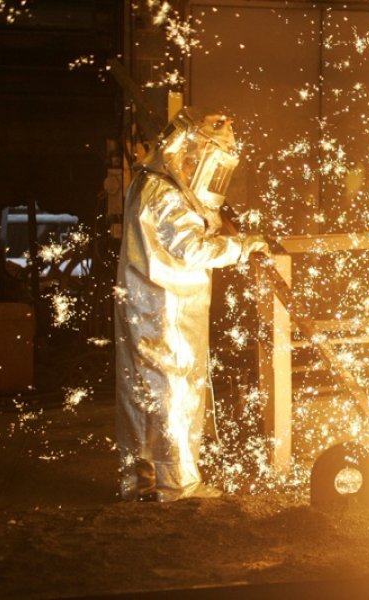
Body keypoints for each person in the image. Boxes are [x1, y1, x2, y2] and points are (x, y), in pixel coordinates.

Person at [114, 106, 268, 501]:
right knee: (173, 392)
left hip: (148, 303)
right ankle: (177, 484)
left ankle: (140, 479)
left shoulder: (149, 182)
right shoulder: (164, 191)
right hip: (168, 307)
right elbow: (189, 247)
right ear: (188, 152)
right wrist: (239, 248)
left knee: (142, 389)